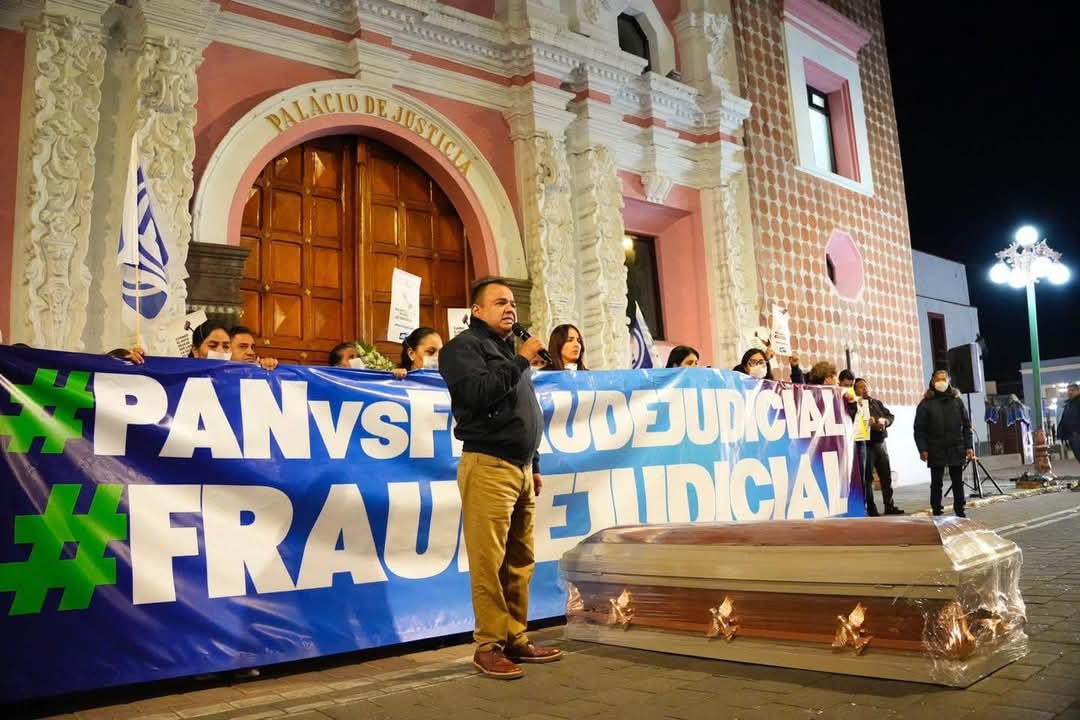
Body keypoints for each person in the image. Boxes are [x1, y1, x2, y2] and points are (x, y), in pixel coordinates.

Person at [438, 278, 560, 679]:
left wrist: (535, 463)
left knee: (520, 560)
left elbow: (523, 411)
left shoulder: (509, 351)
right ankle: (488, 645)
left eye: (512, 303)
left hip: (521, 468)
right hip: (488, 465)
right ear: (477, 311)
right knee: (489, 563)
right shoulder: (462, 349)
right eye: (499, 302)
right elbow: (476, 394)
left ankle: (515, 638)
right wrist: (522, 361)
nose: (510, 309)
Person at [914, 370, 974, 518]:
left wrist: (969, 446)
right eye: (938, 379)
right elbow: (919, 429)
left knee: (957, 482)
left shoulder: (957, 401)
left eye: (944, 379)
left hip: (956, 446)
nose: (941, 382)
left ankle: (960, 510)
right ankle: (936, 510)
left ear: (948, 381)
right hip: (935, 447)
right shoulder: (926, 404)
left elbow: (967, 425)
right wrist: (923, 449)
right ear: (933, 382)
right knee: (936, 483)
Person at [857, 377, 903, 515]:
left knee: (886, 476)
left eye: (865, 386)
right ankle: (871, 508)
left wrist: (885, 422)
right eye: (860, 387)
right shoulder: (857, 404)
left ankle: (889, 505)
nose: (864, 389)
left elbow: (890, 416)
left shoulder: (876, 403)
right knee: (868, 478)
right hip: (867, 444)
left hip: (880, 443)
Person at [1058, 383, 1080, 460]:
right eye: (1069, 391)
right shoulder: (1069, 404)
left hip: (1077, 434)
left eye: (1072, 390)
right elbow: (1065, 419)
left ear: (1078, 391)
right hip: (1071, 436)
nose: (1070, 392)